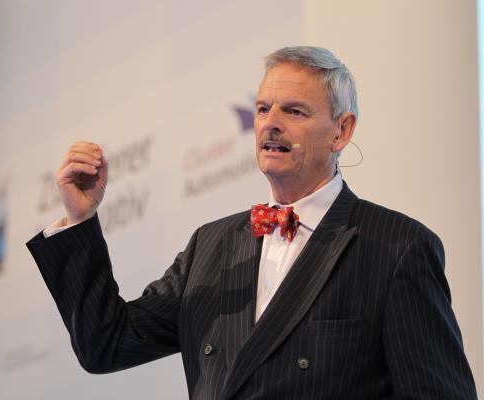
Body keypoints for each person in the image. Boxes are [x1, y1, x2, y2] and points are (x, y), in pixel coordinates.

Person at [26, 46, 477, 399]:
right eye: (262, 109)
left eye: (294, 111)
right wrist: (81, 219)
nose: (270, 124)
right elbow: (107, 345)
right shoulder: (211, 245)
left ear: (341, 131)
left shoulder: (396, 246)